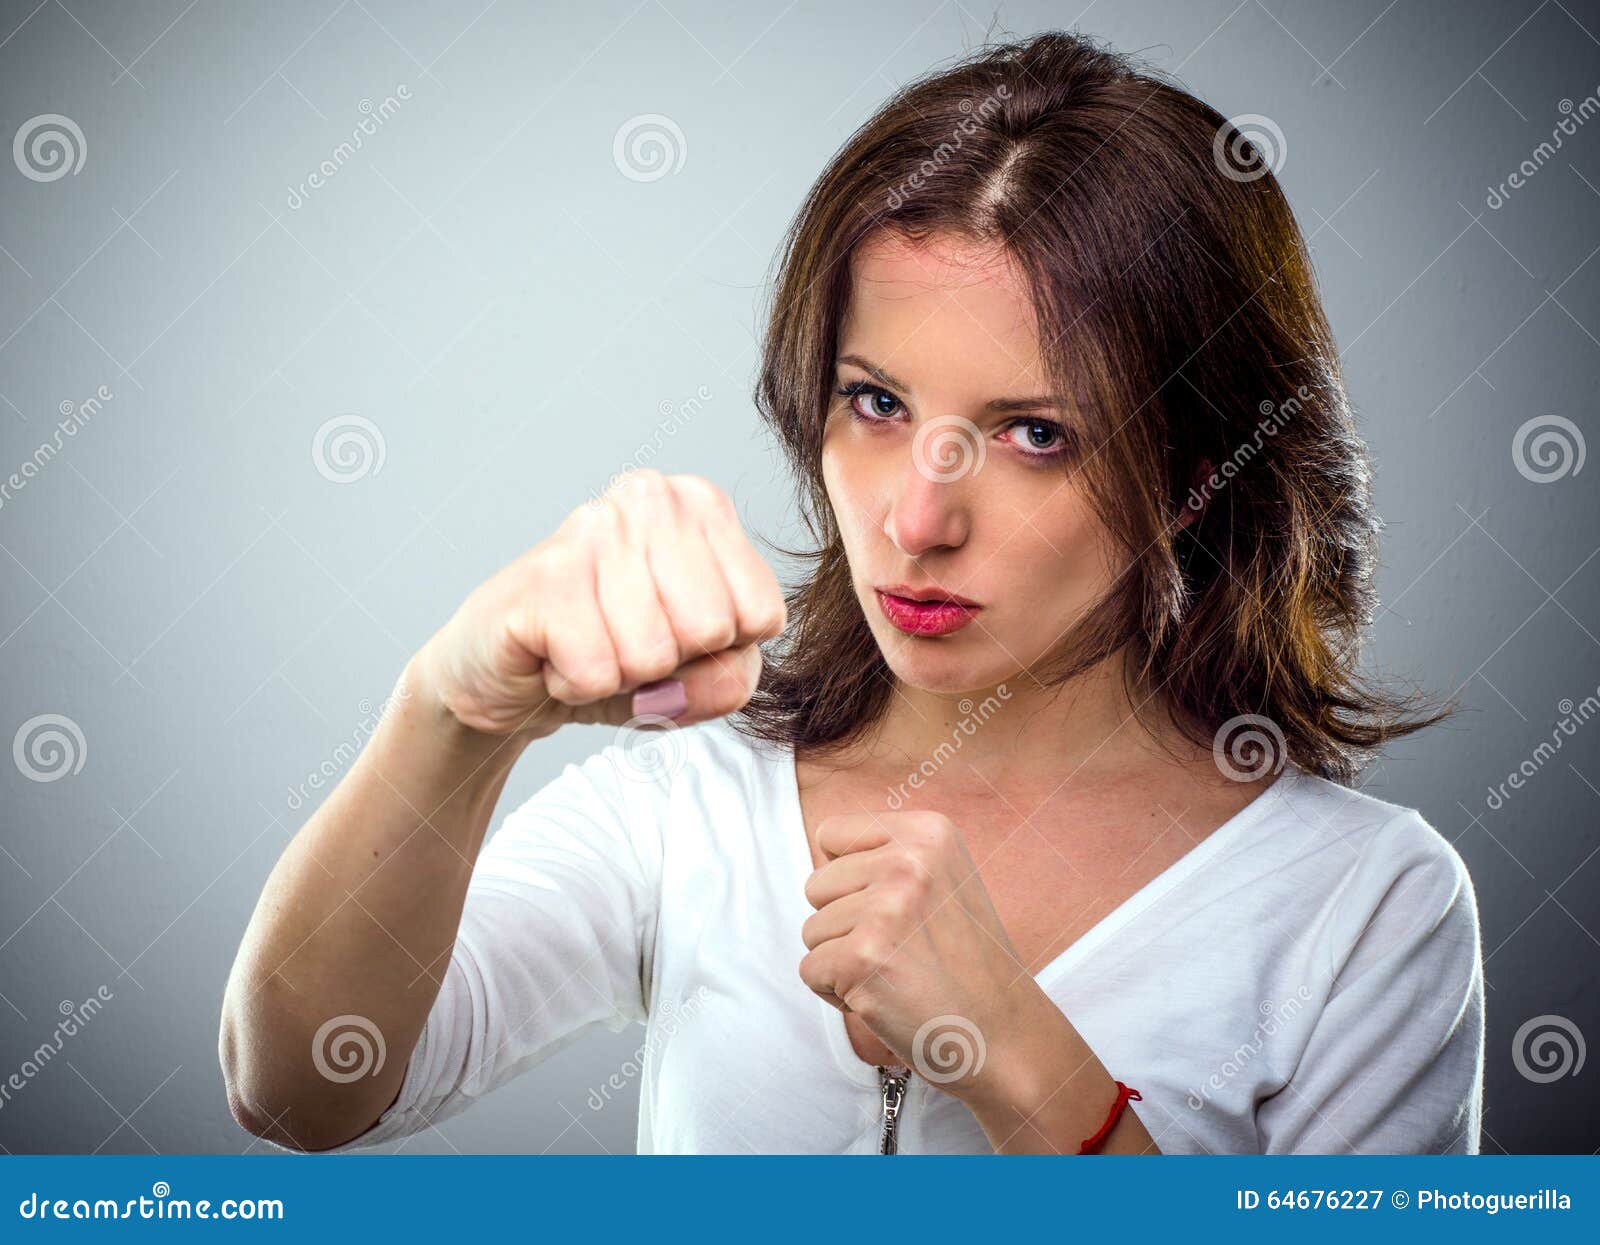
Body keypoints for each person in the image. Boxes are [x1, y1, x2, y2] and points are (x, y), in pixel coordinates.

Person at [219, 29, 1485, 1155]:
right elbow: (300, 1094)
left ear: (1198, 472)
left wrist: (1030, 1070)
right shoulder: (695, 794)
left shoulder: (1364, 905)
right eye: (875, 404)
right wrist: (454, 709)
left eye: (1036, 433)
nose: (916, 520)